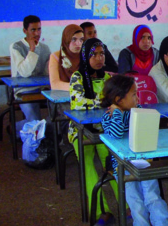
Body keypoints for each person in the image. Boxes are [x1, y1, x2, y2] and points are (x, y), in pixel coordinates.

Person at [101, 75, 168, 226]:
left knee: (152, 196)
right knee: (136, 202)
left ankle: (162, 223)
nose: (138, 98)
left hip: (143, 162)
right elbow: (116, 133)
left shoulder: (137, 110)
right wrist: (118, 112)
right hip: (122, 166)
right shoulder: (109, 116)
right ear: (119, 100)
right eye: (134, 95)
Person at [68, 38, 119, 224]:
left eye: (102, 54)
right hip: (80, 131)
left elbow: (118, 101)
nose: (99, 58)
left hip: (105, 131)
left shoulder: (107, 78)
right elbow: (78, 103)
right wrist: (103, 102)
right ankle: (101, 211)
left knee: (114, 164)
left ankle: (128, 206)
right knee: (88, 168)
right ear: (85, 56)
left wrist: (106, 103)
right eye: (94, 54)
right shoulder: (77, 77)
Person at [9, 15, 51, 134]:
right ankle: (15, 129)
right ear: (25, 30)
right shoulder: (16, 47)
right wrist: (32, 50)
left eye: (39, 29)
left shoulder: (45, 48)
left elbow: (47, 72)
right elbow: (25, 72)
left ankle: (47, 136)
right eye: (33, 30)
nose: (37, 33)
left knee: (59, 115)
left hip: (43, 88)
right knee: (35, 121)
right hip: (23, 90)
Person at [49, 24, 84, 91]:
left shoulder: (85, 56)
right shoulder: (55, 57)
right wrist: (77, 87)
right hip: (61, 98)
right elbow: (54, 84)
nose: (78, 43)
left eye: (81, 40)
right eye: (74, 39)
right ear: (66, 39)